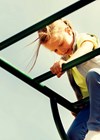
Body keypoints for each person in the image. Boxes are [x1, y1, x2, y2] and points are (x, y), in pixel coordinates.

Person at [32, 19, 100, 140]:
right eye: (56, 50)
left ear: (69, 31)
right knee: (73, 135)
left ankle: (96, 130)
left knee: (93, 74)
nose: (61, 51)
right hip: (94, 103)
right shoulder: (67, 60)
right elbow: (81, 89)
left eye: (61, 44)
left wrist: (67, 63)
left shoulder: (83, 39)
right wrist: (79, 106)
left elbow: (86, 49)